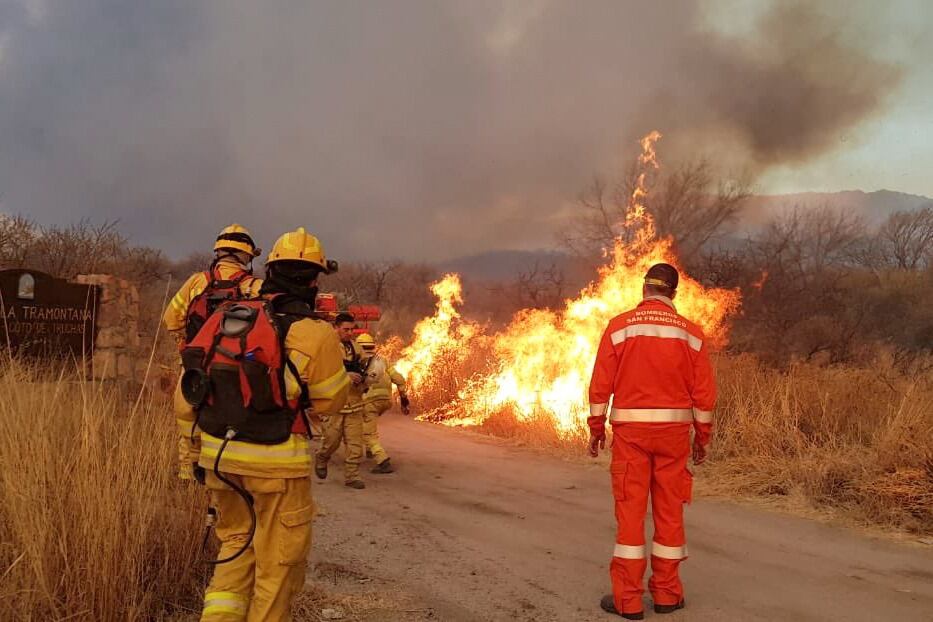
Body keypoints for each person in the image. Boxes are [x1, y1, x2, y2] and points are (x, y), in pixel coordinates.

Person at [183, 226, 350, 621]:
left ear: (269, 269)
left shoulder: (226, 318)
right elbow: (330, 402)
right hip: (277, 467)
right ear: (314, 279)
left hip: (219, 462)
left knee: (234, 550)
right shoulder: (315, 333)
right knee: (276, 567)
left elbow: (185, 396)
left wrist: (189, 454)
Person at [587, 263, 716, 620]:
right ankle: (667, 595)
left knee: (630, 513)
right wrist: (702, 438)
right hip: (674, 439)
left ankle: (628, 601)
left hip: (630, 438)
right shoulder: (691, 334)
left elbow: (601, 386)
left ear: (644, 290)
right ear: (674, 293)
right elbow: (704, 395)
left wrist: (596, 428)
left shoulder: (619, 328)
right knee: (669, 514)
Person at [164, 224, 264, 481]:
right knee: (229, 420)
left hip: (194, 363)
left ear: (218, 252)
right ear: (247, 257)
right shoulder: (254, 287)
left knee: (187, 415)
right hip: (235, 367)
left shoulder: (197, 282)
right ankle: (222, 473)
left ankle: (188, 472)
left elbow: (170, 319)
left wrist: (185, 345)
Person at [314, 312, 368, 489]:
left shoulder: (355, 347)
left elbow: (366, 365)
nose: (350, 333)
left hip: (354, 403)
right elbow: (321, 371)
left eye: (352, 329)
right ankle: (322, 457)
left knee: (355, 444)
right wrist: (345, 375)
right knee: (331, 441)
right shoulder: (326, 347)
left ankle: (352, 476)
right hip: (334, 404)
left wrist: (366, 376)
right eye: (346, 329)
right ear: (335, 328)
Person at [356, 332, 410, 474]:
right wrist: (404, 399)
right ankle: (369, 450)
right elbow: (399, 379)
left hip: (369, 402)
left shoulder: (358, 363)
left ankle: (382, 460)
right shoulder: (383, 361)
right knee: (369, 425)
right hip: (385, 401)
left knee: (367, 433)